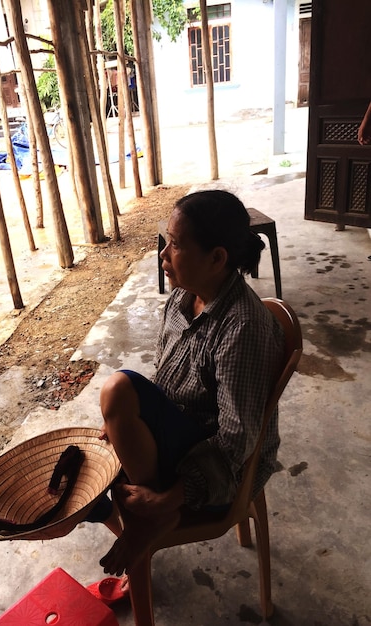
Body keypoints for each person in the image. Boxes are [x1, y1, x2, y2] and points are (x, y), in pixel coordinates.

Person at [97, 190, 285, 577]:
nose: (163, 254)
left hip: (219, 470)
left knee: (117, 389)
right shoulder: (184, 298)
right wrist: (129, 418)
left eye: (177, 245)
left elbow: (237, 441)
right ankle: (144, 513)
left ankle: (156, 516)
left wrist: (169, 499)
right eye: (167, 240)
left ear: (217, 258)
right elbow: (165, 379)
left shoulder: (243, 327)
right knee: (95, 471)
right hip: (185, 430)